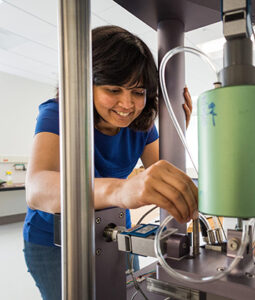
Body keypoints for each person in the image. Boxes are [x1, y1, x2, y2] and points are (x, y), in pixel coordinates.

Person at [23, 25, 198, 300]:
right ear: (84, 83)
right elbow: (36, 188)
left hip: (113, 232)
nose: (127, 104)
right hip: (54, 242)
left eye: (138, 92)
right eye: (114, 89)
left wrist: (178, 137)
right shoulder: (57, 112)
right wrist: (121, 190)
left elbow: (162, 173)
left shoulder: (141, 125)